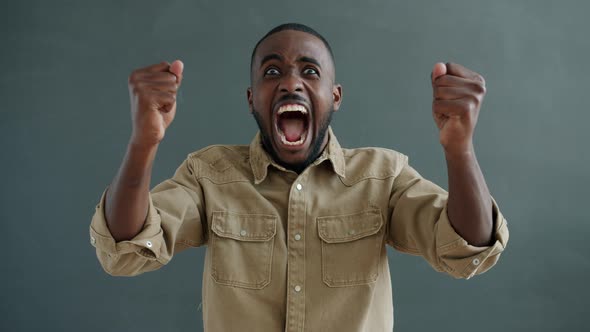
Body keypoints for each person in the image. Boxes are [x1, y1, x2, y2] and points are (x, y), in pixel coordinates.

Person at [89, 23, 509, 331]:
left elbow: (466, 250)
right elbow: (126, 249)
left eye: (310, 72)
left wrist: (460, 150)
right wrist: (143, 143)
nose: (291, 82)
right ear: (252, 99)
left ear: (335, 96)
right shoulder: (209, 175)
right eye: (272, 72)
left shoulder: (384, 176)